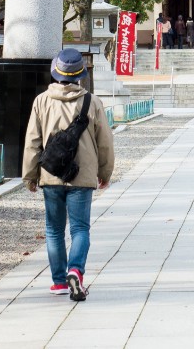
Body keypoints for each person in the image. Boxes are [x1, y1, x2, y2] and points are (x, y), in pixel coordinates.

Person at [22, 48, 116, 302]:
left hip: (51, 173)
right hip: (82, 175)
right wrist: (105, 172)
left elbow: (33, 140)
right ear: (79, 76)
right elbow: (105, 142)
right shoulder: (92, 102)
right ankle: (76, 270)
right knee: (80, 228)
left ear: (56, 73)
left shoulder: (41, 101)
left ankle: (59, 281)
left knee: (53, 230)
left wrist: (30, 175)